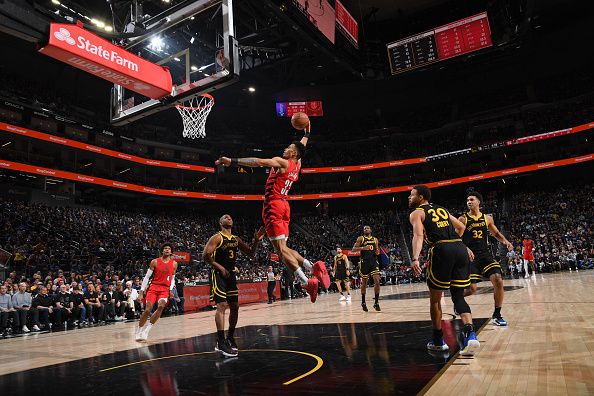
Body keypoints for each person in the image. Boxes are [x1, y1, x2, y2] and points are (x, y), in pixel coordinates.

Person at [215, 125, 319, 302]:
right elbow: (301, 147)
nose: (286, 148)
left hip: (273, 205)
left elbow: (258, 162)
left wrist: (232, 161)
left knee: (280, 251)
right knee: (283, 250)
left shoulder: (282, 162)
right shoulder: (297, 164)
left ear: (293, 154)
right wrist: (307, 133)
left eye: (289, 148)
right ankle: (313, 267)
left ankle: (307, 281)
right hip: (285, 205)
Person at [408, 185, 480, 356]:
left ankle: (438, 340)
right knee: (457, 296)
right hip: (459, 249)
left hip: (441, 250)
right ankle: (470, 333)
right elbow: (461, 228)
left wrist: (415, 258)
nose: (409, 198)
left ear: (421, 197)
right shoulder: (442, 209)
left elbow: (418, 236)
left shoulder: (416, 213)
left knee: (435, 299)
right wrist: (458, 245)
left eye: (412, 195)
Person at [202, 214, 265, 357]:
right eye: (225, 217)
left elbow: (250, 253)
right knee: (221, 305)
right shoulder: (217, 237)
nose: (228, 217)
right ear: (220, 222)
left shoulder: (236, 239)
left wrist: (256, 240)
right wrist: (220, 267)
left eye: (230, 217)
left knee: (235, 306)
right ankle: (220, 341)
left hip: (231, 275)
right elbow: (205, 255)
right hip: (218, 274)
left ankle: (230, 337)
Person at [459, 190, 514, 326]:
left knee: (498, 280)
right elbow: (456, 238)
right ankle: (458, 299)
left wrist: (506, 241)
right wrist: (465, 248)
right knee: (472, 289)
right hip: (470, 257)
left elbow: (495, 233)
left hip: (485, 254)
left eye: (471, 200)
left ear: (478, 202)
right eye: (467, 200)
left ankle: (497, 314)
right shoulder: (463, 219)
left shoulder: (487, 219)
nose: (469, 202)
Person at [136, 243, 178, 341]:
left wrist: (170, 289)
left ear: (171, 252)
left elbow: (173, 278)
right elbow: (147, 277)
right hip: (153, 287)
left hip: (164, 289)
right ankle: (139, 331)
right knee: (147, 310)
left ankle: (146, 330)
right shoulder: (154, 262)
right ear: (162, 251)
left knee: (161, 306)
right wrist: (141, 291)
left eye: (169, 249)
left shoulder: (174, 263)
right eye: (165, 248)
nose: (167, 250)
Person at [352, 226, 382, 312]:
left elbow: (377, 250)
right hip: (364, 262)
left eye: (367, 228)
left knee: (377, 281)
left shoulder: (375, 239)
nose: (366, 229)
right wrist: (363, 248)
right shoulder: (361, 238)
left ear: (371, 230)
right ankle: (363, 302)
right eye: (364, 229)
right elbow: (353, 249)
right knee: (364, 282)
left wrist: (377, 252)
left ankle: (376, 302)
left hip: (373, 262)